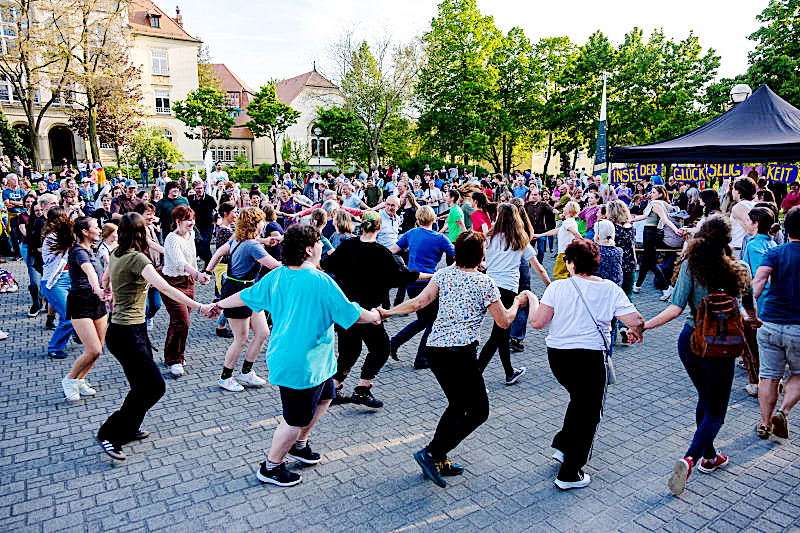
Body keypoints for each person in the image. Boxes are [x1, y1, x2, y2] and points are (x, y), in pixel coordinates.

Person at [212, 224, 382, 486]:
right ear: (308, 249)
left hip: (318, 363)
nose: (323, 248)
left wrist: (217, 304)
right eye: (319, 243)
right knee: (294, 419)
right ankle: (271, 466)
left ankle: (299, 445)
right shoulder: (319, 280)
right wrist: (374, 316)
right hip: (300, 364)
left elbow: (246, 295)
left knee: (326, 397)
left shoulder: (279, 274)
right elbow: (352, 313)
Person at [380, 231, 527, 487]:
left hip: (435, 351)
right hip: (460, 353)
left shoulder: (443, 274)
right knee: (479, 411)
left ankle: (438, 455)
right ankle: (432, 453)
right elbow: (504, 321)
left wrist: (387, 313)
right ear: (481, 255)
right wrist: (517, 302)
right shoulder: (485, 283)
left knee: (458, 405)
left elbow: (417, 303)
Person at [644, 216, 756, 495]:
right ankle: (691, 458)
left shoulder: (693, 268)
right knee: (716, 411)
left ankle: (709, 456)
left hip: (691, 343)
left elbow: (675, 309)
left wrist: (643, 325)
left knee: (705, 399)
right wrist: (753, 321)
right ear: (728, 240)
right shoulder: (740, 269)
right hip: (723, 347)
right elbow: (749, 310)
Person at [96, 213, 216, 460]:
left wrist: (110, 292)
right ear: (142, 233)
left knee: (141, 386)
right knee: (154, 386)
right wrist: (200, 306)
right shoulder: (137, 258)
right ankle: (109, 433)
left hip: (123, 330)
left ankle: (128, 428)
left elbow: (105, 280)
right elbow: (165, 287)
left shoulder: (116, 253)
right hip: (128, 334)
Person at [525, 239, 643, 490]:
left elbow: (537, 322)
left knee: (579, 401)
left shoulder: (558, 288)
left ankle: (563, 447)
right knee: (590, 413)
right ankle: (570, 473)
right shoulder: (609, 289)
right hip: (589, 358)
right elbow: (636, 319)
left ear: (570, 263)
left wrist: (533, 300)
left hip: (558, 357)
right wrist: (635, 330)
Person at [322, 211, 426, 407]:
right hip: (369, 313)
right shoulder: (382, 253)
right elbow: (404, 277)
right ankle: (362, 388)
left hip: (346, 311)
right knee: (381, 349)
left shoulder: (347, 246)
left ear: (362, 226)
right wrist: (433, 276)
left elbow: (327, 264)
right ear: (379, 228)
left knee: (349, 351)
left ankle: (334, 387)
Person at [204, 207, 282, 391]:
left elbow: (217, 253)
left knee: (263, 333)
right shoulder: (252, 245)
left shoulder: (237, 240)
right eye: (261, 221)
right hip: (238, 290)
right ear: (255, 224)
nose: (264, 224)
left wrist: (207, 271)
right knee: (241, 338)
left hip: (249, 291)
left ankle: (246, 372)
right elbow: (276, 266)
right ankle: (225, 377)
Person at [478, 203, 550, 384]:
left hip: (489, 288)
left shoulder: (489, 238)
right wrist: (550, 285)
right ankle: (475, 374)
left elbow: (480, 261)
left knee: (502, 332)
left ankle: (509, 372)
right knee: (497, 335)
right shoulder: (520, 240)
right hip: (508, 290)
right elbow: (538, 268)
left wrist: (484, 266)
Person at [752, 206, 800, 442]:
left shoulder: (775, 253)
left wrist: (749, 312)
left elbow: (758, 282)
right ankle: (783, 411)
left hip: (769, 322)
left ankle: (764, 423)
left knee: (769, 376)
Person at [388, 206, 455, 368]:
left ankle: (394, 343)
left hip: (411, 283)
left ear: (418, 220)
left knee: (424, 320)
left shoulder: (411, 233)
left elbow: (392, 251)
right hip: (428, 285)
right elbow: (457, 256)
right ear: (434, 220)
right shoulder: (440, 238)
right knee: (432, 321)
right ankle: (421, 359)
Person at [160, 205, 211, 377]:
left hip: (188, 282)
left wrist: (197, 276)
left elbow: (191, 257)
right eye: (188, 220)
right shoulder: (171, 239)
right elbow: (180, 262)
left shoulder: (191, 234)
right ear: (178, 221)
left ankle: (171, 355)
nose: (192, 223)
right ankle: (175, 360)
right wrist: (198, 274)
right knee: (182, 321)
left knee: (178, 322)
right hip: (172, 283)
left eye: (193, 219)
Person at [61, 217, 108, 401]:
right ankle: (70, 379)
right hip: (80, 302)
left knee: (99, 348)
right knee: (93, 349)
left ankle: (80, 379)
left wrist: (105, 291)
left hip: (96, 302)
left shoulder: (91, 249)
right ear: (85, 232)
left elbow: (98, 273)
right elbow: (88, 271)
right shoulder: (77, 251)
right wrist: (96, 289)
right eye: (96, 227)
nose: (99, 229)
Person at [631, 185, 682, 294]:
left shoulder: (656, 204)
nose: (651, 194)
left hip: (651, 233)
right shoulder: (657, 204)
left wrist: (675, 230)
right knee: (646, 261)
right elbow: (644, 216)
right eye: (651, 192)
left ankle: (667, 288)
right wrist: (630, 220)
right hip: (649, 232)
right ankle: (638, 285)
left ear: (660, 195)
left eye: (654, 192)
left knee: (651, 262)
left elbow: (665, 219)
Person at [41, 208, 77, 359]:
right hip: (54, 282)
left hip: (69, 278)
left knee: (76, 312)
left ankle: (78, 334)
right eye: (64, 218)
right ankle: (54, 348)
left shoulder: (64, 235)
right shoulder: (52, 237)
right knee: (67, 316)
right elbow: (67, 244)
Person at [534, 201, 582, 280]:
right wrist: (539, 235)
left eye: (565, 207)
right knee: (566, 274)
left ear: (569, 211)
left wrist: (583, 241)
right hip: (567, 252)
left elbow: (575, 233)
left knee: (559, 274)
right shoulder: (570, 222)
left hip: (563, 253)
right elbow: (555, 231)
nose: (563, 208)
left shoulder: (567, 222)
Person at [188, 179, 217, 267]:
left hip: (208, 225)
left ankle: (209, 263)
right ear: (193, 189)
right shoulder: (190, 199)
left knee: (205, 242)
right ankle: (208, 261)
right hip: (195, 225)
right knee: (197, 243)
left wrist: (217, 222)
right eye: (197, 188)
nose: (200, 190)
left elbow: (217, 210)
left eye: (201, 188)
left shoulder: (209, 198)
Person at [729, 177, 756, 257]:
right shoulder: (754, 205)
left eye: (733, 189)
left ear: (738, 191)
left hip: (740, 250)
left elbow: (751, 229)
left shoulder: (739, 206)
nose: (732, 192)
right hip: (745, 248)